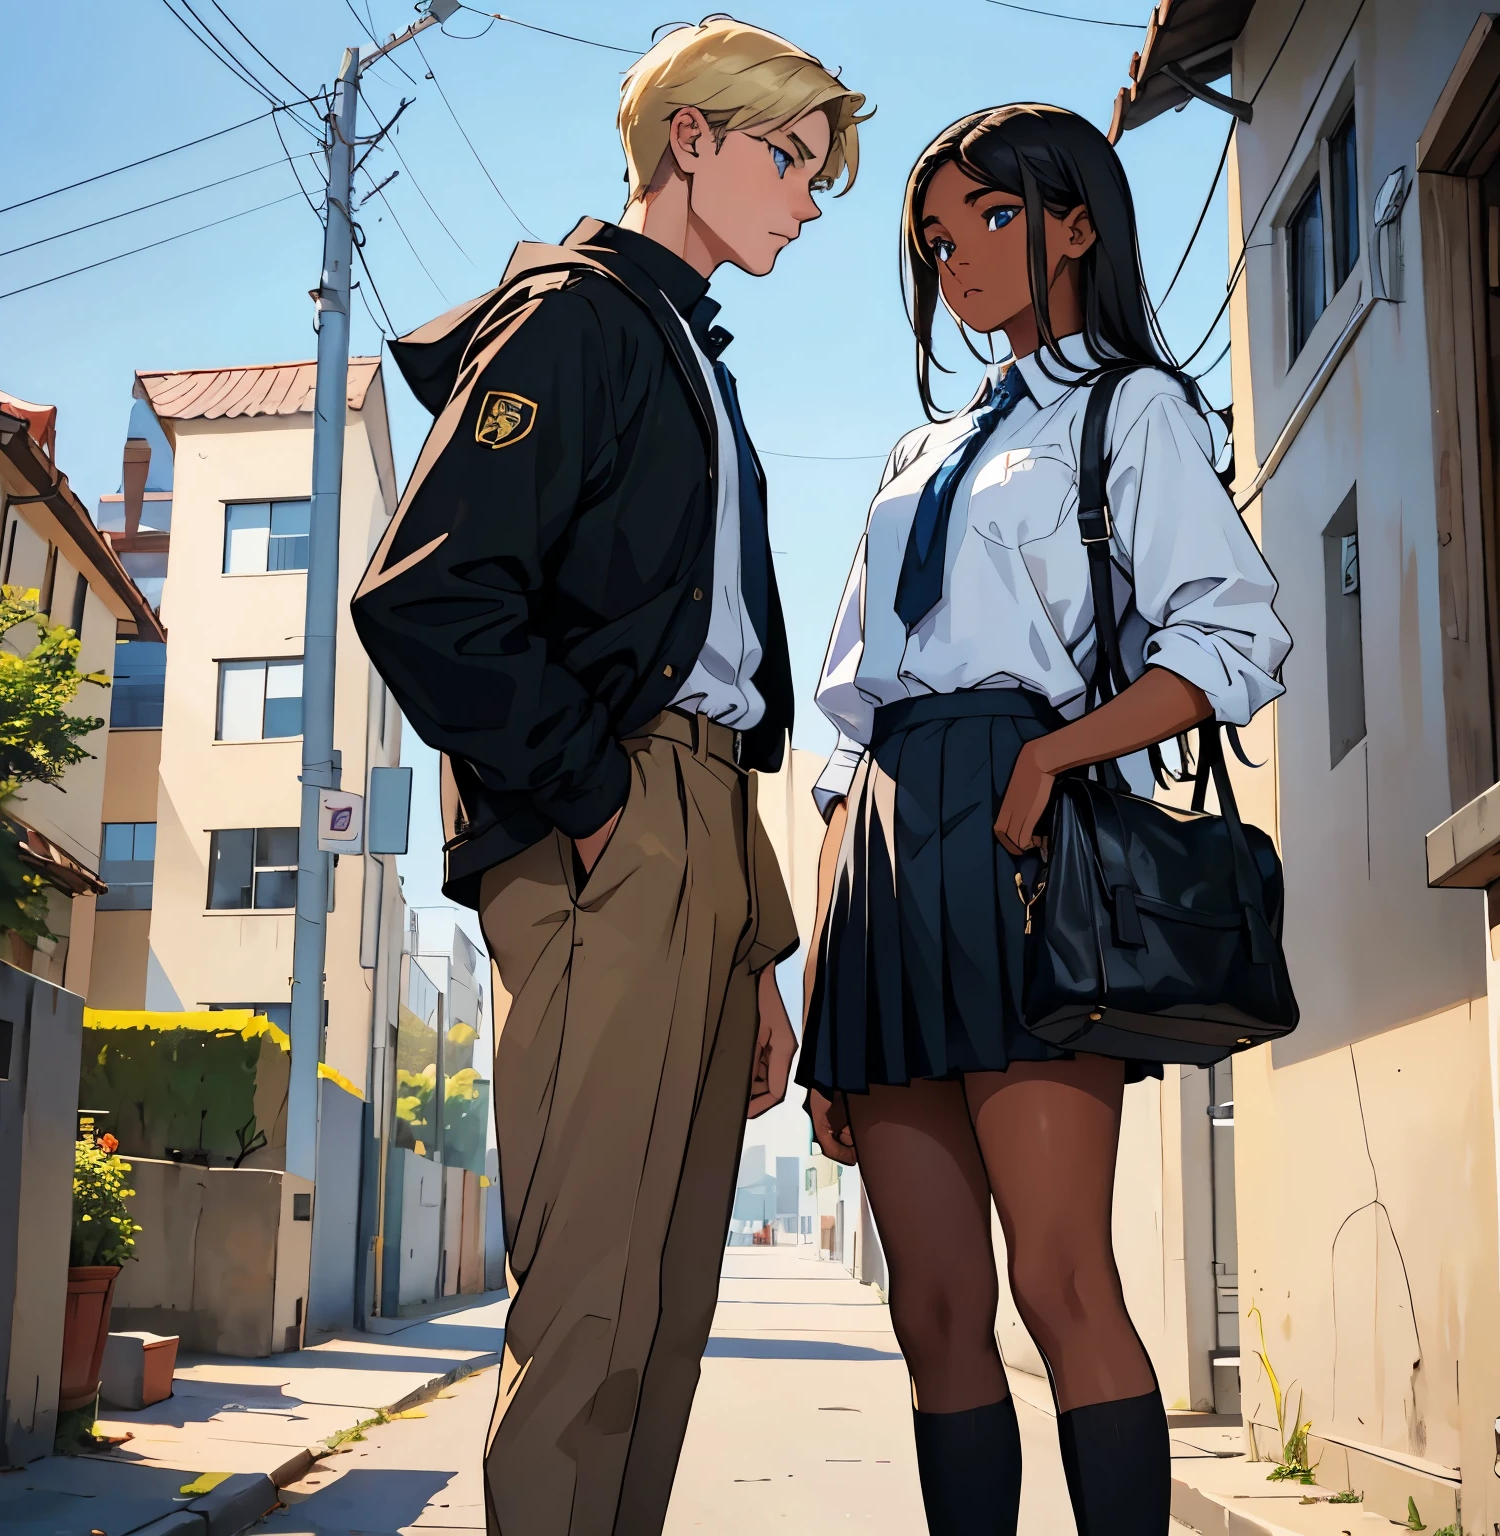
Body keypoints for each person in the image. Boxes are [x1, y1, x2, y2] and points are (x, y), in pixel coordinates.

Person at [351, 18, 866, 1536]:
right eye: (789, 158)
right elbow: (426, 594)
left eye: (822, 173)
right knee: (588, 1306)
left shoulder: (687, 352)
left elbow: (718, 675)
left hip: (708, 835)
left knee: (663, 1307)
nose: (807, 199)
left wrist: (757, 945)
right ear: (688, 140)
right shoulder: (574, 322)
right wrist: (590, 804)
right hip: (616, 825)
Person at [797, 104, 1291, 1536]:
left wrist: (1051, 759)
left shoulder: (1131, 411)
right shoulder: (913, 454)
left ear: (1075, 221)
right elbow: (847, 724)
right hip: (888, 859)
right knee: (934, 1310)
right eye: (937, 237)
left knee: (1059, 1282)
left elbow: (1234, 638)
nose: (959, 260)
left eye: (992, 220)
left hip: (1032, 840)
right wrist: (825, 961)